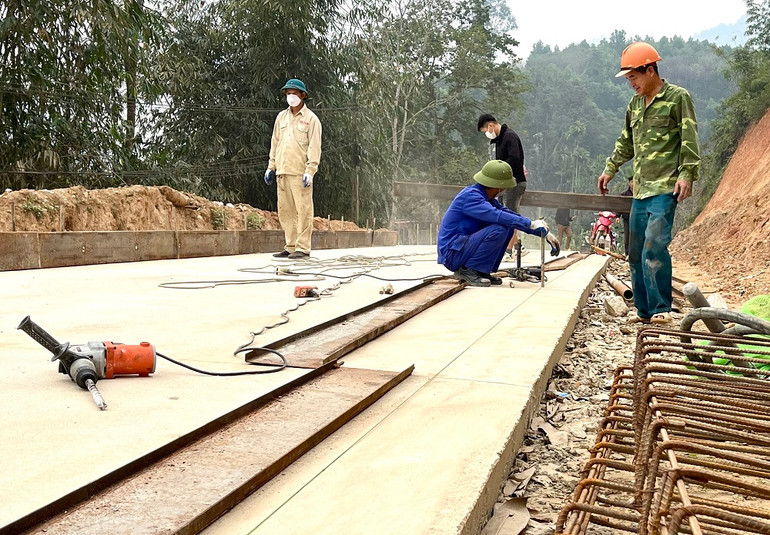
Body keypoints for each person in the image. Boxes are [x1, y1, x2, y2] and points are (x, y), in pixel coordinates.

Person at [597, 42, 700, 324]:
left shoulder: (678, 98)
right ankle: (643, 312)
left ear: (650, 70)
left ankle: (661, 309)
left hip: (665, 187)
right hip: (640, 190)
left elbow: (689, 139)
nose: (631, 83)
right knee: (635, 252)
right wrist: (610, 169)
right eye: (628, 79)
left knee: (654, 245)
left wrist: (687, 173)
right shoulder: (634, 105)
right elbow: (626, 142)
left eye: (634, 77)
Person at [437, 160, 559, 287]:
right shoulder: (471, 197)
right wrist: (530, 224)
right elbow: (497, 215)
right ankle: (468, 270)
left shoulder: (486, 198)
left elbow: (509, 215)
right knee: (499, 229)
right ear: (499, 186)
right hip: (452, 253)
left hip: (461, 247)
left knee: (508, 227)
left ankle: (481, 271)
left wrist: (542, 232)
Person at [264, 78, 322, 259]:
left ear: (303, 95)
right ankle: (290, 245)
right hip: (282, 171)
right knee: (286, 211)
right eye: (288, 93)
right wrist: (271, 167)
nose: (291, 96)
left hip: (300, 173)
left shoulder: (311, 119)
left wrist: (310, 171)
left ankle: (303, 247)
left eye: (294, 93)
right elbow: (275, 142)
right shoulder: (281, 117)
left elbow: (314, 147)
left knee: (303, 210)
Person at [477, 114, 527, 256]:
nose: (487, 134)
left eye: (486, 131)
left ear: (491, 126)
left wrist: (499, 170)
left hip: (514, 183)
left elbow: (515, 159)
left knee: (510, 215)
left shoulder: (510, 137)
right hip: (504, 184)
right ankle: (517, 247)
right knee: (503, 214)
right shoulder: (500, 139)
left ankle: (509, 249)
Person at [620, 176, 633, 255]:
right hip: (627, 219)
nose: (633, 184)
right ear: (629, 183)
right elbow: (620, 205)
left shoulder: (640, 194)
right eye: (632, 182)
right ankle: (627, 253)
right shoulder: (624, 194)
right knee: (627, 236)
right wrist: (617, 216)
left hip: (638, 218)